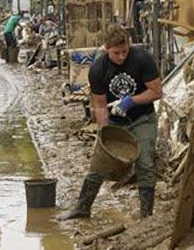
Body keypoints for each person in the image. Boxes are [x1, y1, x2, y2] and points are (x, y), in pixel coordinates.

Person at [59, 26, 162, 220]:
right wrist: (103, 132)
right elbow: (99, 104)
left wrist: (130, 101)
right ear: (107, 49)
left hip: (143, 118)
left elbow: (156, 92)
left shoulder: (142, 59)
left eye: (125, 51)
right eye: (116, 53)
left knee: (145, 163)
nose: (122, 57)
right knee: (99, 165)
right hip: (116, 122)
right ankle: (82, 207)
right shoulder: (98, 69)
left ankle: (146, 214)